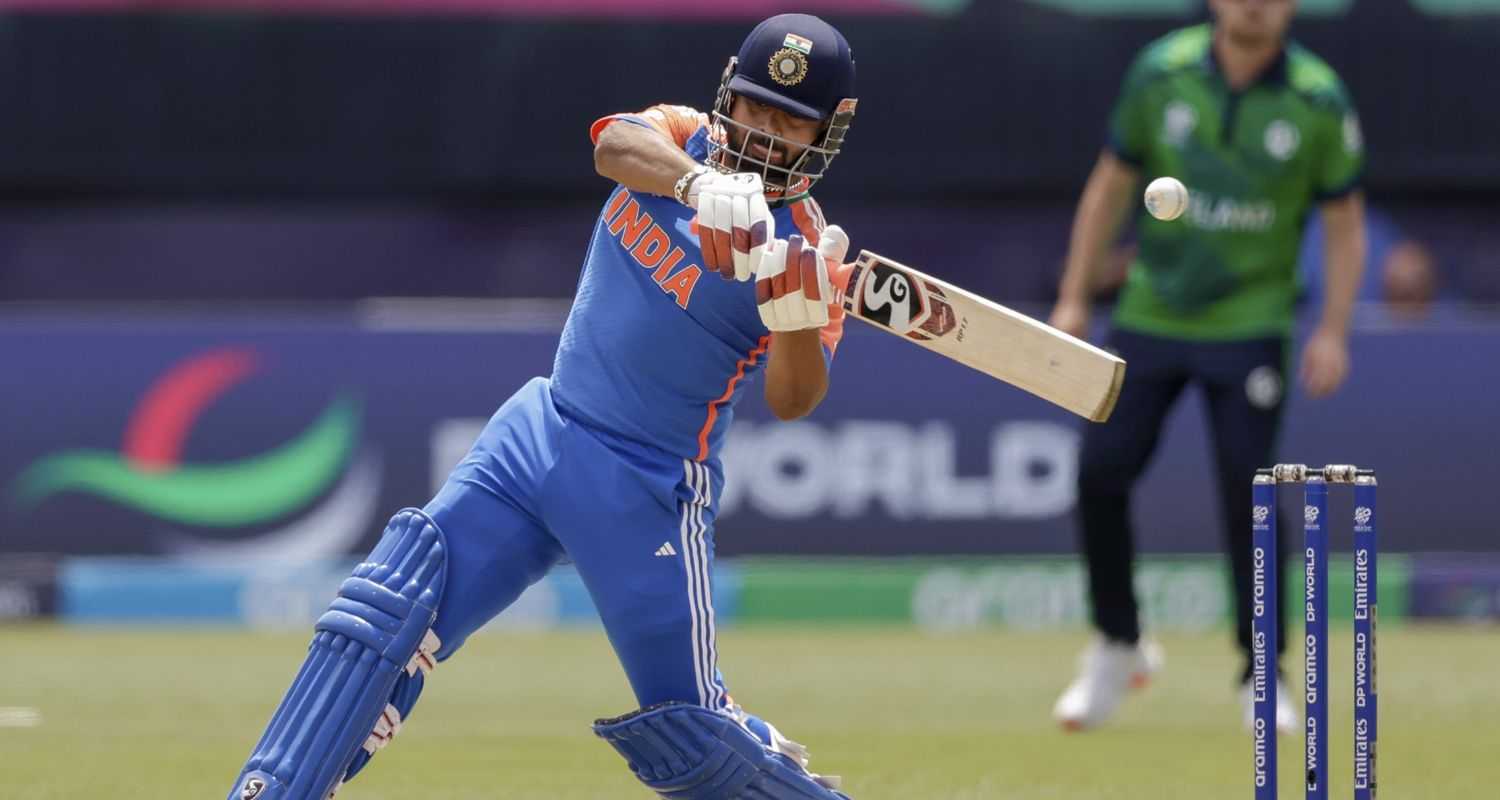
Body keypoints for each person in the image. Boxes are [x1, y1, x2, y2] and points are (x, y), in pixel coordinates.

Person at [225, 14, 860, 800]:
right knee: (387, 608)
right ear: (728, 91)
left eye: (787, 121)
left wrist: (794, 312)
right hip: (543, 432)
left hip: (648, 486)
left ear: (827, 131)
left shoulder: (807, 245)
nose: (762, 133)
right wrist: (699, 184)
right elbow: (611, 147)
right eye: (754, 107)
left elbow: (795, 399)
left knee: (691, 731)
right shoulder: (682, 138)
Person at [1046, 0, 1367, 733]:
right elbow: (1110, 187)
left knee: (1248, 493)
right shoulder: (1162, 72)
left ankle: (1262, 672)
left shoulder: (1317, 97)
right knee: (1100, 471)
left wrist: (1335, 330)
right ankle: (1119, 644)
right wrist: (1073, 296)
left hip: (1251, 324)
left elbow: (1345, 223)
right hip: (1151, 314)